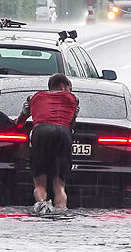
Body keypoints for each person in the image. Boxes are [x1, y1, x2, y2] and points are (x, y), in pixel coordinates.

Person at [17, 74, 78, 213]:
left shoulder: (33, 97)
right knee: (59, 184)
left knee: (39, 182)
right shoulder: (74, 99)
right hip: (63, 133)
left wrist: (17, 124)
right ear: (63, 86)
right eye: (70, 89)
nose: (70, 92)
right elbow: (72, 123)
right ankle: (61, 209)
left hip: (41, 132)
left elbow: (21, 120)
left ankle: (42, 204)